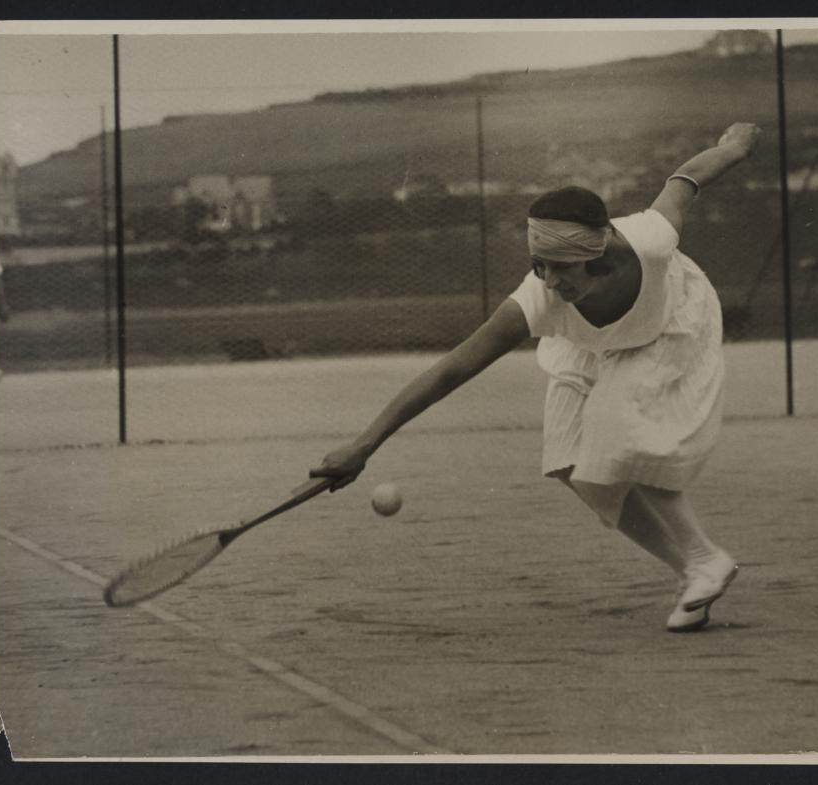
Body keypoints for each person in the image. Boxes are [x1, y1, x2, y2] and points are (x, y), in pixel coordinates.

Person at [310, 122, 761, 633]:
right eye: (539, 265)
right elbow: (451, 369)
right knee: (572, 464)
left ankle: (705, 556)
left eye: (562, 267)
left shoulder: (651, 240)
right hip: (587, 345)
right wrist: (363, 445)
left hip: (666, 325)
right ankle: (694, 569)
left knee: (616, 434)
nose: (550, 280)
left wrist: (731, 149)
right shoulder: (538, 298)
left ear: (601, 252)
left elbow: (686, 179)